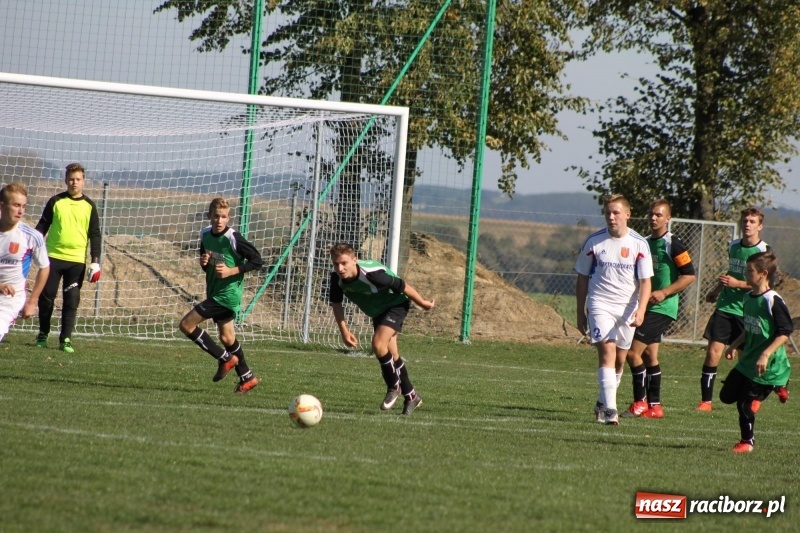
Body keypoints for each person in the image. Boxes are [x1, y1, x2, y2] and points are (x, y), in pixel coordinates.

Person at [328, 242, 434, 415]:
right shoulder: (336, 279)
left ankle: (394, 386)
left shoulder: (374, 275)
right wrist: (344, 332)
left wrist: (422, 303)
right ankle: (412, 396)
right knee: (392, 355)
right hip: (378, 311)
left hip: (396, 305)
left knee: (378, 344)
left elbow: (403, 286)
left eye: (344, 263)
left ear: (355, 260)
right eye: (335, 263)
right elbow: (336, 305)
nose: (340, 268)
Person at [575, 194, 653, 425]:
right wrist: (581, 311)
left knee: (620, 359)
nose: (611, 217)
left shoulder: (639, 244)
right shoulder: (594, 242)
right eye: (608, 212)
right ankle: (610, 411)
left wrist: (641, 310)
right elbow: (581, 278)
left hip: (628, 308)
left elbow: (646, 282)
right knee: (607, 353)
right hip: (600, 304)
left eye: (616, 212)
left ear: (627, 215)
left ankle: (602, 401)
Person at [178, 197, 264, 394]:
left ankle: (224, 358)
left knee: (186, 325)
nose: (219, 220)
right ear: (209, 216)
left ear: (229, 218)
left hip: (227, 295)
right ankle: (247, 376)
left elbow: (257, 261)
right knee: (227, 337)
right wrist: (204, 261)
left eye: (224, 217)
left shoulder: (234, 238)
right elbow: (205, 263)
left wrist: (231, 271)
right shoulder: (205, 234)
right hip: (215, 291)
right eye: (216, 216)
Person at [621, 200, 696, 419]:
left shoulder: (674, 243)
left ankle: (639, 402)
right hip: (645, 305)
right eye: (651, 214)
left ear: (668, 219)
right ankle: (655, 407)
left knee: (632, 353)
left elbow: (689, 276)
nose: (654, 218)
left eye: (658, 215)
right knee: (650, 356)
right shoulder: (643, 243)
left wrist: (665, 292)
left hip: (663, 307)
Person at [696, 207, 770, 411]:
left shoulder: (764, 251)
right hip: (725, 306)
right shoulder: (734, 245)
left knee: (745, 359)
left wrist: (738, 284)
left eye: (752, 221)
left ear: (760, 226)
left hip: (747, 310)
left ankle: (752, 398)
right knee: (712, 353)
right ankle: (706, 402)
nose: (747, 224)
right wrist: (717, 290)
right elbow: (731, 272)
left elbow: (765, 285)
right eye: (745, 220)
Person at [720, 252, 792, 453]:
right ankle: (778, 386)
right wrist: (734, 344)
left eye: (749, 271)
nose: (745, 273)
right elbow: (750, 327)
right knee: (726, 396)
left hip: (767, 365)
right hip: (748, 360)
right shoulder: (748, 297)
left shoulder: (773, 300)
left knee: (745, 404)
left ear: (763, 274)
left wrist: (766, 353)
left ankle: (747, 442)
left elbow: (785, 332)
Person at [34, 163, 102, 353]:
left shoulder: (89, 205)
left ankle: (65, 339)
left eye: (78, 179)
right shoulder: (55, 201)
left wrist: (95, 261)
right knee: (46, 297)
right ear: (66, 180)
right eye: (71, 179)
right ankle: (43, 333)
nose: (74, 182)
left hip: (76, 262)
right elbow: (42, 226)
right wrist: (32, 246)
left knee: (71, 300)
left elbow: (95, 234)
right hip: (52, 259)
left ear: (84, 181)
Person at [0, 183, 50, 342]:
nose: (21, 211)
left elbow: (44, 267)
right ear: (2, 205)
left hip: (9, 300)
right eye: (16, 205)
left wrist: (32, 301)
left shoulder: (32, 236)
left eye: (23, 206)